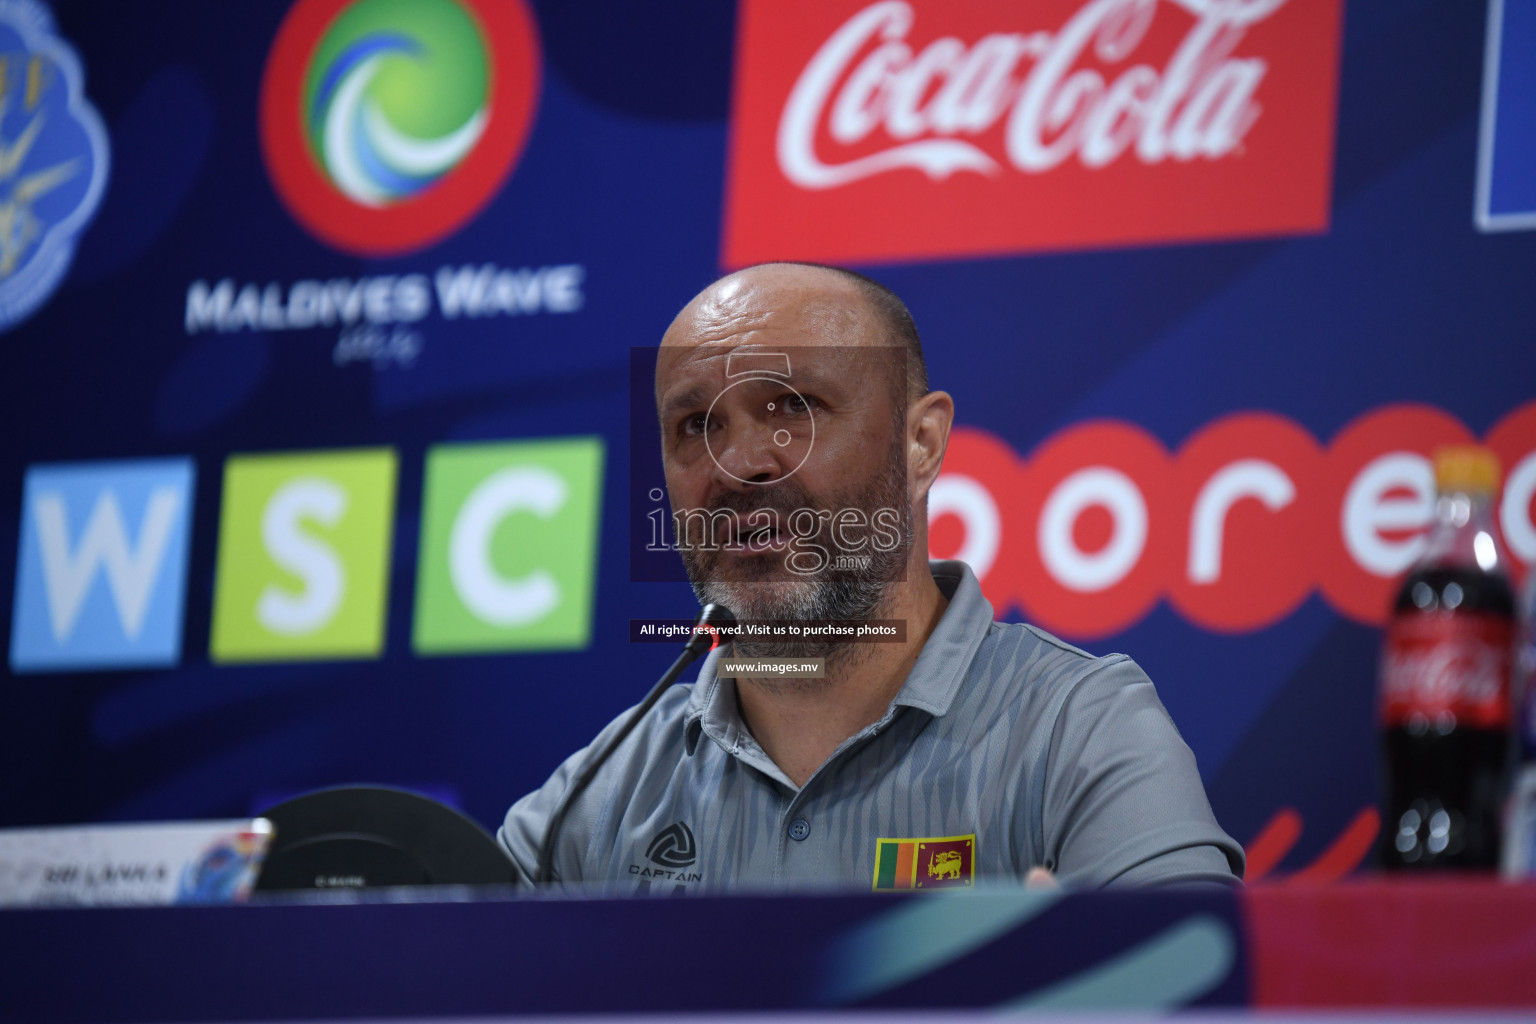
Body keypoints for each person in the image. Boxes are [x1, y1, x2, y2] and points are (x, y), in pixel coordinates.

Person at [498, 262, 1244, 890]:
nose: (740, 463)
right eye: (697, 426)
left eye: (794, 406)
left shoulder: (1081, 728)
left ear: (922, 443)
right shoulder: (598, 798)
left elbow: (1195, 985)